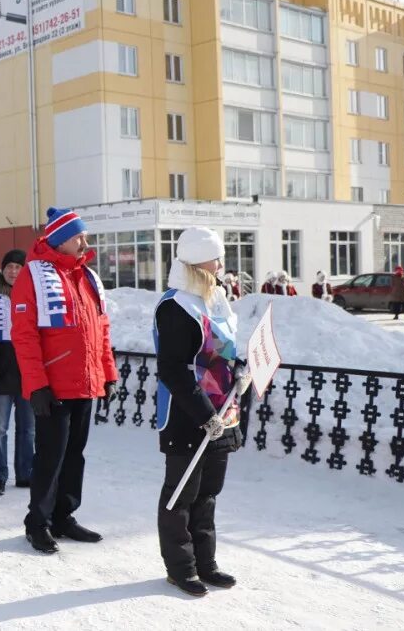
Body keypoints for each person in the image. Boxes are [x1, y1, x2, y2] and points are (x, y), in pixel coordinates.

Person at [10, 207, 118, 554]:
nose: (84, 241)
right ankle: (37, 522)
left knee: (75, 455)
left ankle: (63, 516)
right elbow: (24, 335)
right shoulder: (34, 275)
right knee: (50, 457)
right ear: (60, 240)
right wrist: (36, 384)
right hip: (53, 387)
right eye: (78, 236)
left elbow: (101, 329)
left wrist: (108, 373)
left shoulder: (87, 276)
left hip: (85, 383)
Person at [154, 226, 247, 597]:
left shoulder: (215, 300)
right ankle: (181, 568)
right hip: (189, 414)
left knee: (208, 492)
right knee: (181, 494)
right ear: (196, 261)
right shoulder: (176, 305)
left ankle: (205, 564)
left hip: (222, 412)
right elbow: (173, 368)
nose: (222, 264)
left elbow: (223, 351)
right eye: (216, 257)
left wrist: (240, 368)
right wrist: (205, 414)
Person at [0, 248, 34, 495]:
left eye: (18, 267)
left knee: (28, 428)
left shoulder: (33, 294)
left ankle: (25, 473)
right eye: (9, 267)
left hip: (27, 374)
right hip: (0, 373)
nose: (13, 271)